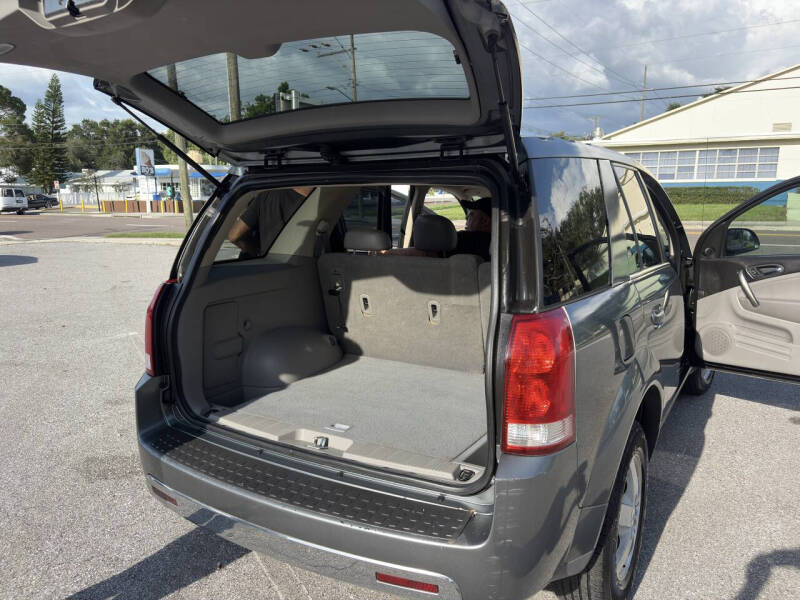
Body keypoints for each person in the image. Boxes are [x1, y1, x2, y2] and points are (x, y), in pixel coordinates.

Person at [228, 186, 315, 258]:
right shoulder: (319, 200)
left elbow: (234, 236)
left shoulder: (265, 195)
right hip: (303, 266)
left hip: (268, 266)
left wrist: (255, 252)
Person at [453, 197, 491, 261]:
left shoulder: (463, 239)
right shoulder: (501, 241)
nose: (466, 217)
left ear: (485, 221)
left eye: (471, 214)